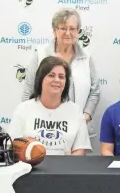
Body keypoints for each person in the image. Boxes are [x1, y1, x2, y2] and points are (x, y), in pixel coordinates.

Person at [22, 8, 100, 138]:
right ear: (54, 31)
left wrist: (85, 116)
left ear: (78, 31)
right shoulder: (40, 55)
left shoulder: (86, 57)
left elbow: (95, 91)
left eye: (72, 28)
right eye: (63, 28)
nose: (68, 33)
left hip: (77, 130)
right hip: (43, 129)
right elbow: (28, 92)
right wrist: (31, 121)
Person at [9, 56, 92, 156]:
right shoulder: (23, 109)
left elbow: (80, 149)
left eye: (61, 77)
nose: (57, 80)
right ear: (41, 79)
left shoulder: (75, 111)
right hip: (30, 168)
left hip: (65, 169)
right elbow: (13, 147)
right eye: (51, 75)